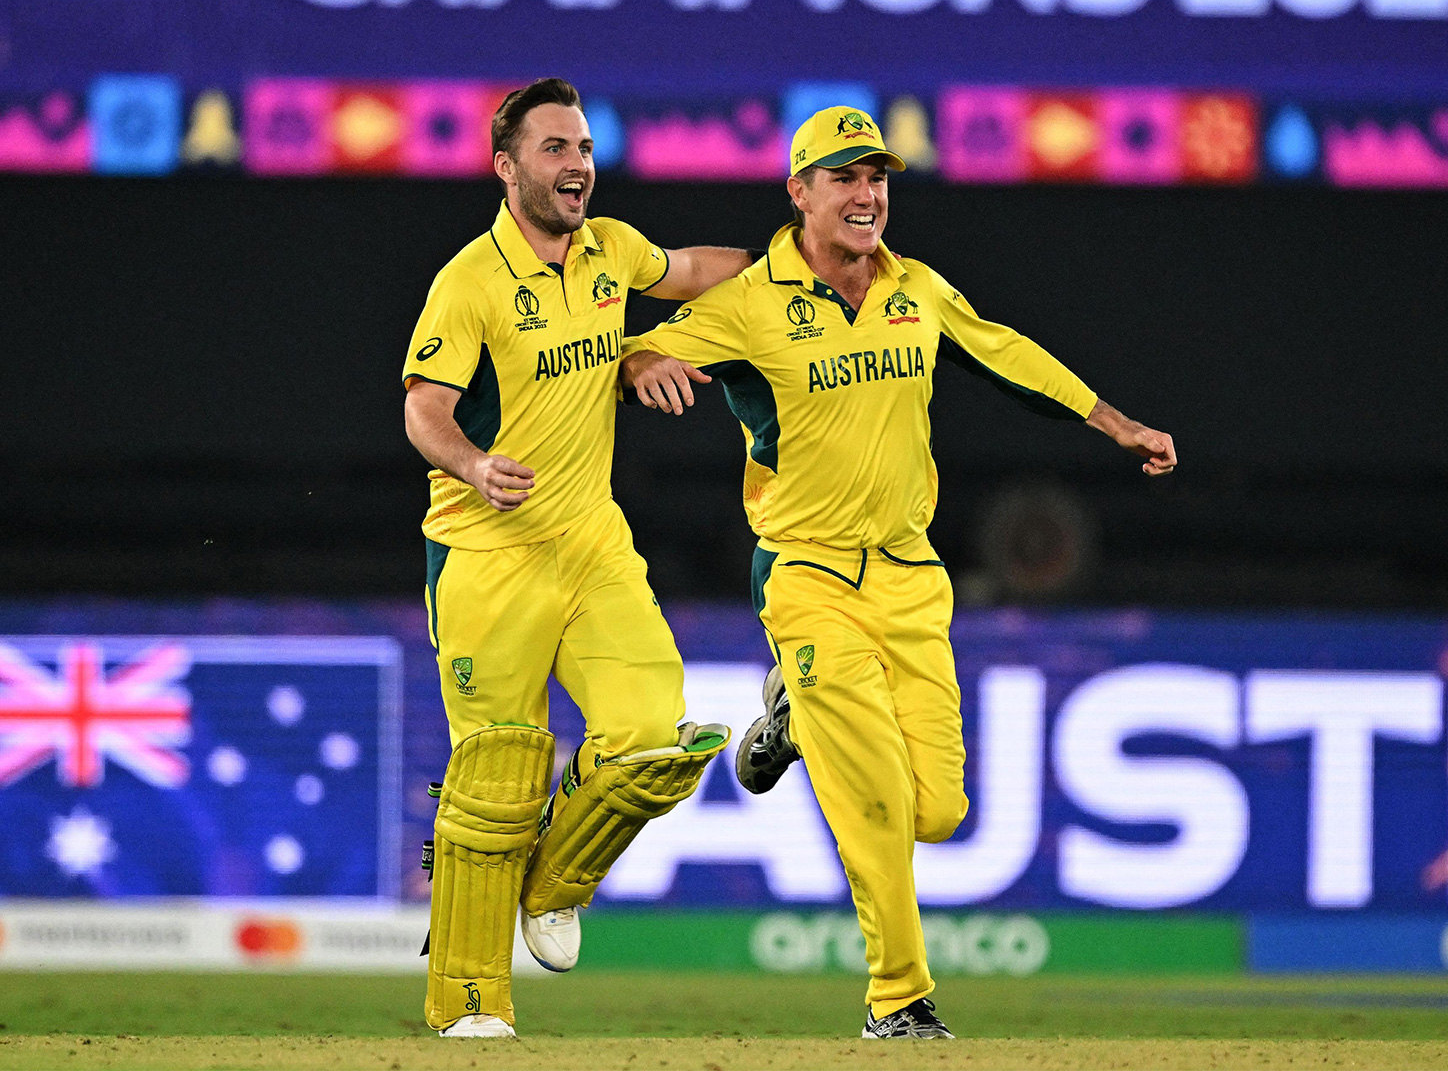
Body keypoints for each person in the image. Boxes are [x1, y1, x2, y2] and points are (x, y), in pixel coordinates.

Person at [620, 106, 1176, 1039]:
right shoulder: (756, 301)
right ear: (800, 193)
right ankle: (899, 1004)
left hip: (912, 580)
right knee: (874, 799)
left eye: (876, 177)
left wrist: (1112, 421)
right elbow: (658, 344)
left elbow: (1005, 351)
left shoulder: (915, 288)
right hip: (806, 577)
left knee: (939, 812)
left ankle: (790, 717)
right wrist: (643, 363)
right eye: (843, 177)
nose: (867, 194)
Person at [401, 78, 752, 1037]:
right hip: (486, 555)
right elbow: (424, 408)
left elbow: (687, 270)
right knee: (497, 776)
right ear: (506, 165)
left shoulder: (609, 249)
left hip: (591, 543)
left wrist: (802, 259)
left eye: (585, 146)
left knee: (651, 737)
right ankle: (471, 1003)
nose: (579, 164)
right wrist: (472, 464)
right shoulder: (468, 280)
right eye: (555, 148)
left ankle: (553, 886)